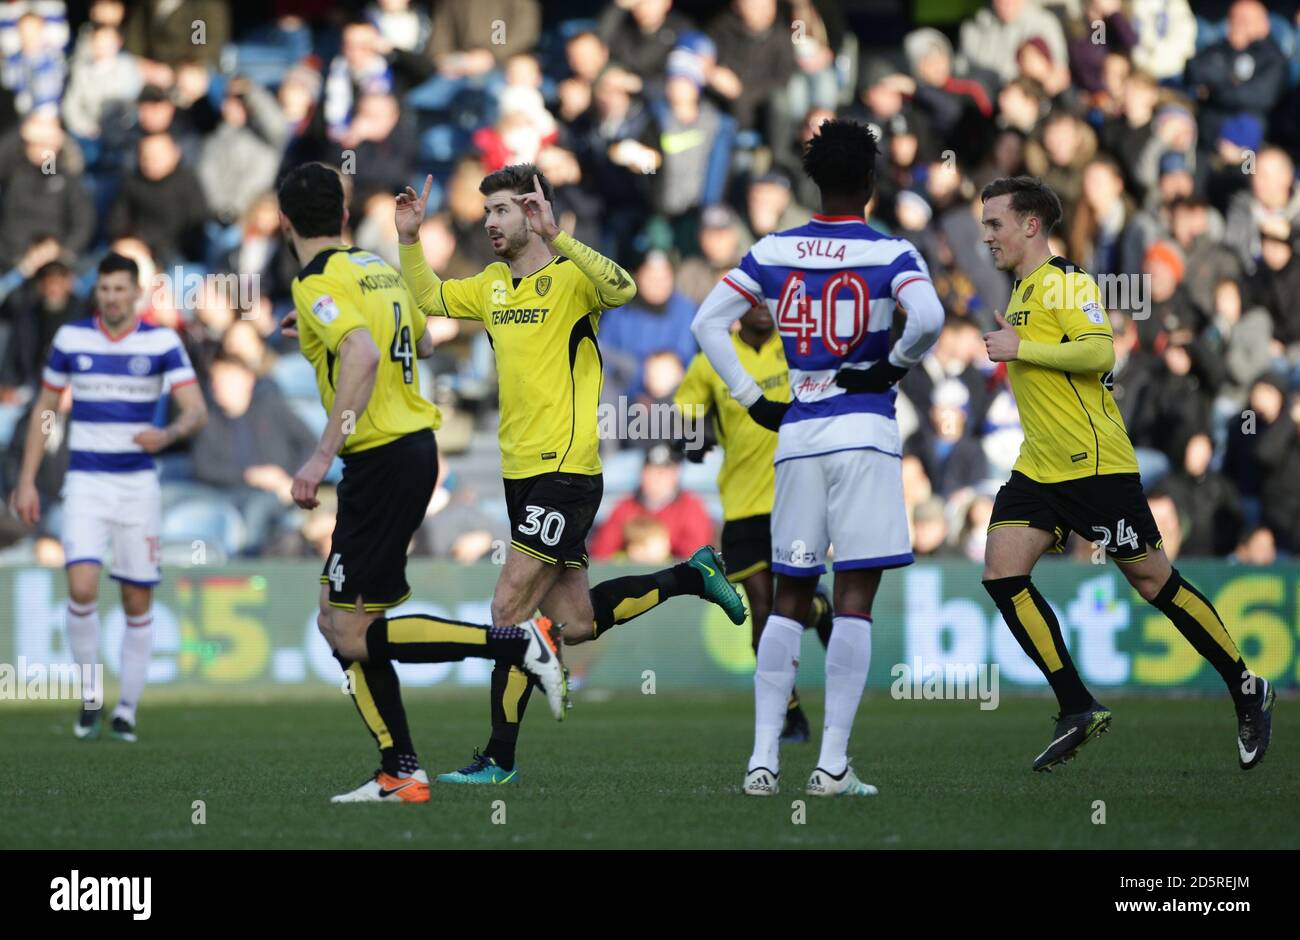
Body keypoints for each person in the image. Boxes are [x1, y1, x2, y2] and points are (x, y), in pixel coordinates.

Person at [396, 165, 746, 784]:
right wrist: (409, 239)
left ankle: (498, 758)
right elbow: (429, 299)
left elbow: (624, 288)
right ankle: (692, 575)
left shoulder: (572, 279)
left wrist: (559, 237)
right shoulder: (491, 285)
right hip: (518, 473)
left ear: (532, 214)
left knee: (507, 606)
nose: (491, 223)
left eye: (503, 210)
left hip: (567, 470)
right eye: (487, 214)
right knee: (576, 623)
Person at [275, 162, 567, 804]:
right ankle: (400, 770)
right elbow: (424, 345)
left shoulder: (316, 280)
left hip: (378, 458)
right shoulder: (375, 268)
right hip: (410, 450)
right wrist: (328, 332)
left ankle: (514, 643)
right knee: (338, 620)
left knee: (352, 631)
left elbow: (363, 353)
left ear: (283, 221)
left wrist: (320, 457)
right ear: (345, 216)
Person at [978, 175, 1275, 772]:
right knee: (1001, 572)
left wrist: (1021, 349)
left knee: (1153, 582)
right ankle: (1076, 706)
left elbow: (1099, 352)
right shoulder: (1023, 292)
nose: (988, 236)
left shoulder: (1067, 282)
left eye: (995, 224)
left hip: (1093, 466)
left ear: (1031, 225)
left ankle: (1246, 686)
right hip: (1040, 466)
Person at [692, 119, 945, 797]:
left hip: (798, 435)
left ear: (814, 180)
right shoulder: (893, 252)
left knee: (788, 599)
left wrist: (750, 397)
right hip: (862, 431)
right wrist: (888, 367)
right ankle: (831, 765)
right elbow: (929, 319)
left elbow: (706, 322)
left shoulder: (774, 249)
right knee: (854, 598)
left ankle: (763, 763)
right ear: (870, 183)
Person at [8, 252, 208, 743]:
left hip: (138, 486)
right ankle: (91, 692)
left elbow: (196, 410)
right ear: (96, 293)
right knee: (80, 588)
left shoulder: (161, 341)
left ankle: (128, 709)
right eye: (104, 289)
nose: (112, 297)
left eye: (120, 289)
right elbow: (45, 408)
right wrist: (28, 479)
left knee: (136, 597)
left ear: (136, 294)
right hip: (87, 483)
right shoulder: (72, 339)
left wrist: (169, 433)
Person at [674, 302, 834, 744]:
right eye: (753, 299)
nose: (763, 307)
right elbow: (683, 414)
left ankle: (817, 610)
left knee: (783, 609)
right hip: (743, 503)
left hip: (798, 494)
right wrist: (693, 438)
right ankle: (791, 714)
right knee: (762, 612)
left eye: (770, 299)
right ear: (736, 309)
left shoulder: (800, 349)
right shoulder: (712, 360)